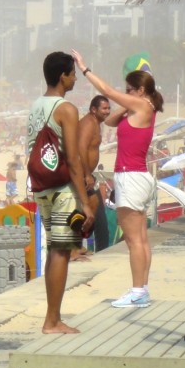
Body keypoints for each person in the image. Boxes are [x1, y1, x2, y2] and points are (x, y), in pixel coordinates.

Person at [72, 50, 162, 308]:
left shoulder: (143, 105)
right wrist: (128, 101)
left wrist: (85, 69)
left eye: (129, 90)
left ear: (140, 90)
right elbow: (110, 121)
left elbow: (108, 92)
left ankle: (137, 291)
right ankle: (142, 289)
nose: (126, 93)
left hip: (130, 177)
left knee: (134, 240)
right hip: (138, 176)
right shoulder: (144, 106)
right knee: (142, 238)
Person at [28, 52, 91, 334]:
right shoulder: (66, 109)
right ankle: (52, 320)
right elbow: (74, 160)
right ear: (62, 76)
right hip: (63, 191)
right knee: (61, 252)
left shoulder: (35, 105)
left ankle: (52, 317)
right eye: (72, 73)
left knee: (55, 250)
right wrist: (86, 202)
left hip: (41, 188)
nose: (75, 77)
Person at [78, 95, 112, 253]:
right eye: (104, 108)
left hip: (87, 177)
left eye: (108, 108)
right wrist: (86, 174)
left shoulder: (96, 123)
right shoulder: (89, 123)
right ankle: (81, 250)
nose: (107, 111)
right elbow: (81, 148)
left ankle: (101, 253)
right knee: (95, 220)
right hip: (81, 177)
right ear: (93, 109)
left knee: (99, 222)